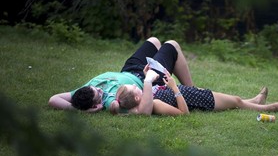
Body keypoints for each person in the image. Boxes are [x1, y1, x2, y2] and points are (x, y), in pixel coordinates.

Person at [48, 37, 193, 114]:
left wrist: (75, 109)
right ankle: (190, 91)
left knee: (154, 41)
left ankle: (186, 92)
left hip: (129, 69)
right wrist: (85, 112)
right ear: (96, 105)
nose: (99, 89)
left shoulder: (84, 92)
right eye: (98, 93)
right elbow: (142, 112)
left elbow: (53, 99)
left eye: (95, 87)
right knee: (172, 45)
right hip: (147, 77)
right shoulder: (110, 101)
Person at [110, 69, 278, 116]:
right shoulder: (154, 104)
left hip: (193, 93)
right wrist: (174, 88)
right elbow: (184, 114)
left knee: (237, 100)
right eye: (135, 88)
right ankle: (271, 108)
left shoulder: (147, 97)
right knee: (236, 101)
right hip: (200, 101)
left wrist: (147, 75)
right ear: (136, 97)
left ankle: (255, 100)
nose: (138, 85)